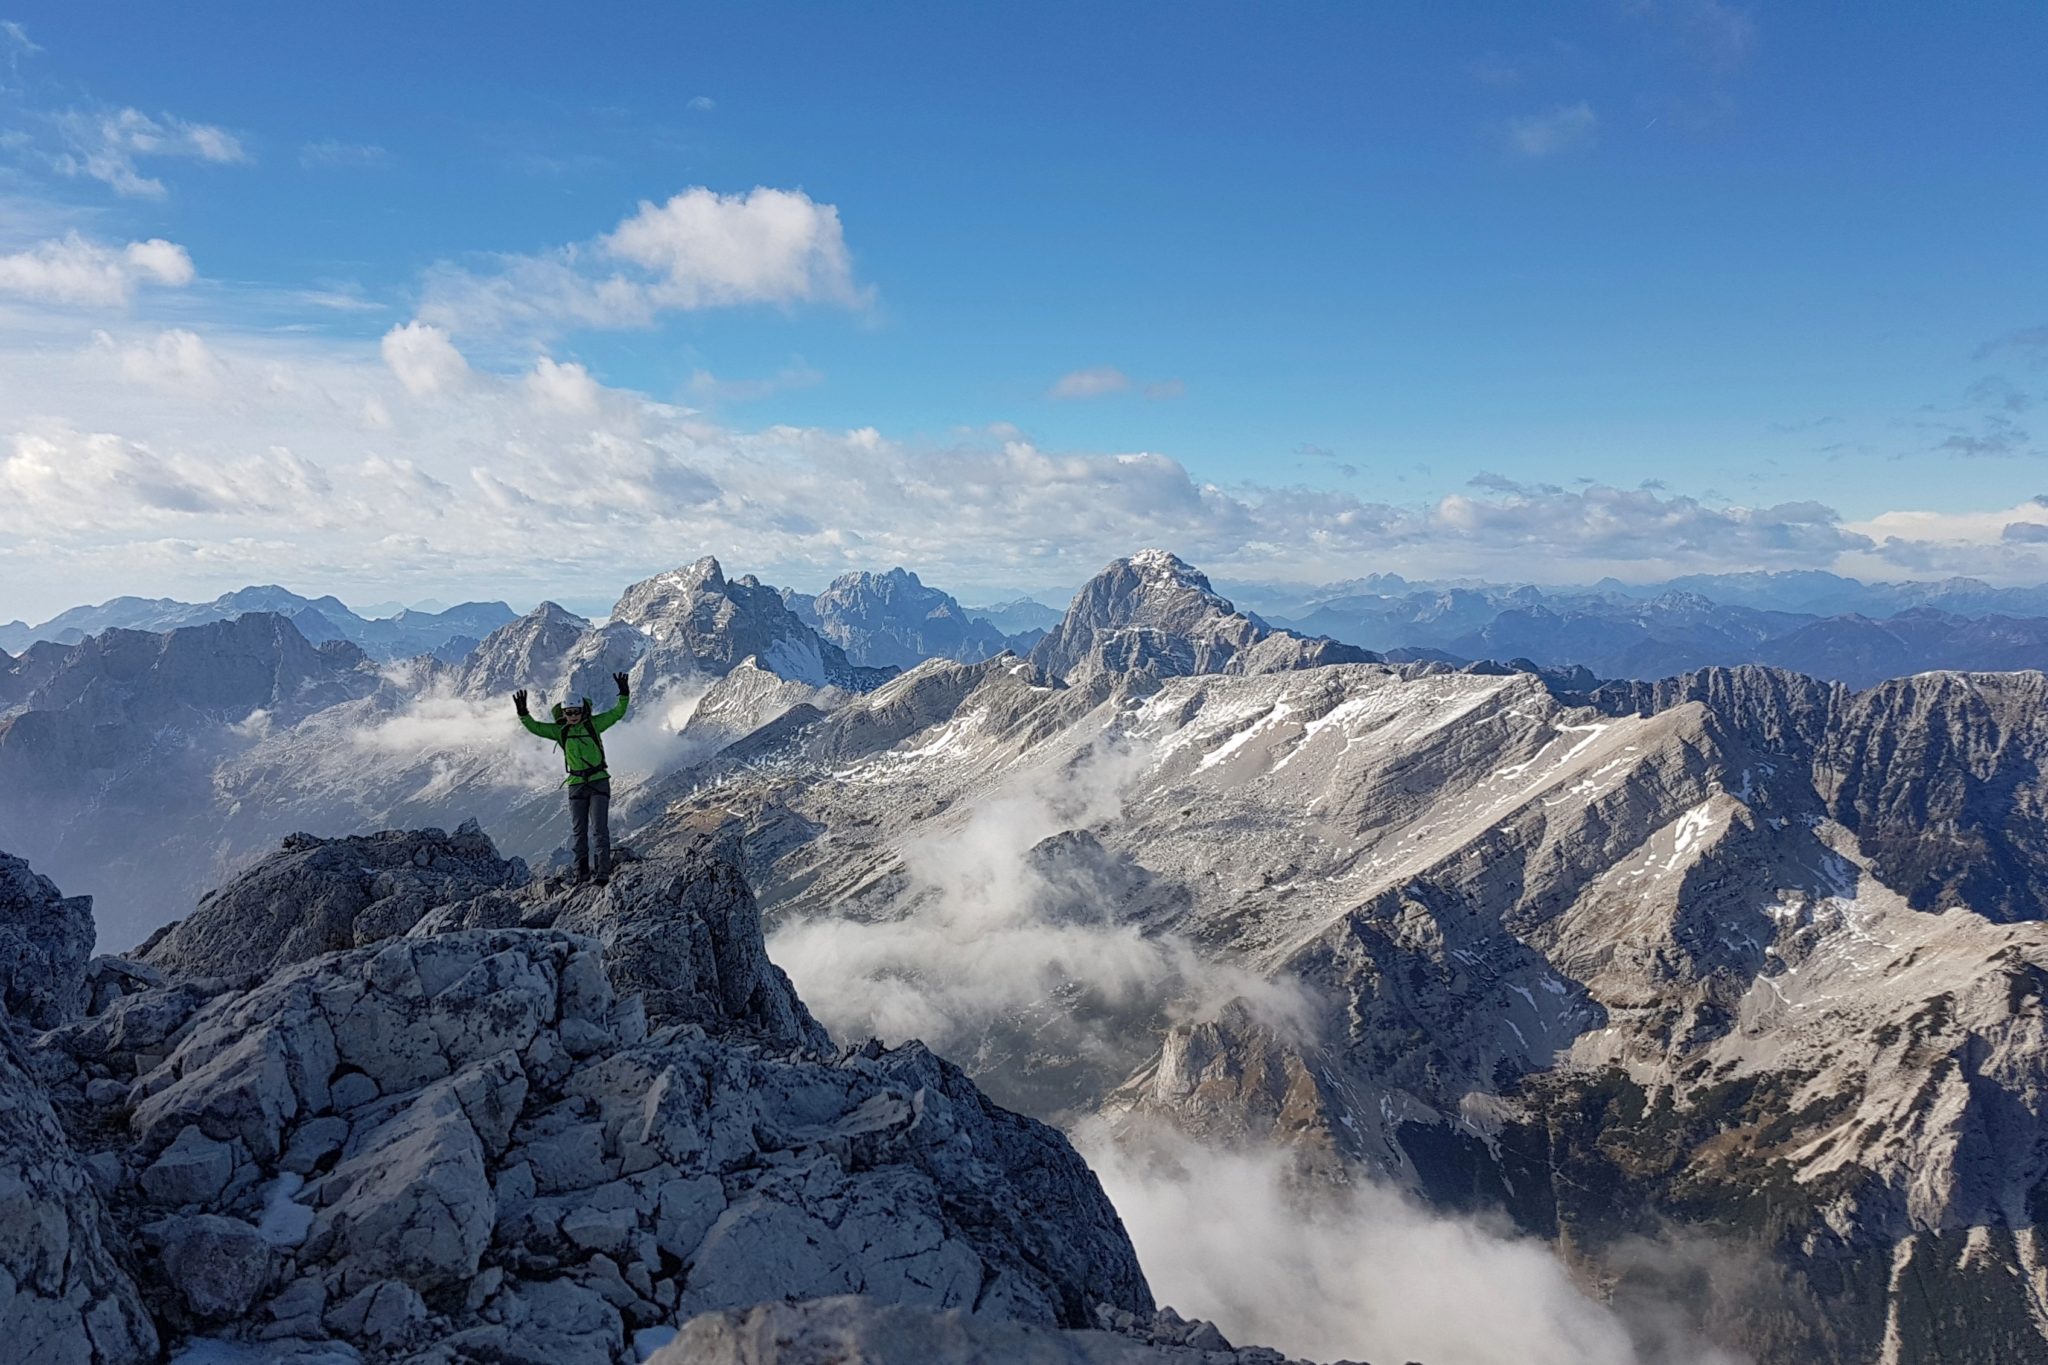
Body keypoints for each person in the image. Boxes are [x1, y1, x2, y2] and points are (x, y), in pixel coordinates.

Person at [514, 671, 630, 884]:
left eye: (576, 712)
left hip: (598, 781)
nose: (573, 716)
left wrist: (624, 693)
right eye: (569, 712)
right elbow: (536, 728)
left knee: (599, 829)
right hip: (576, 784)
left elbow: (617, 713)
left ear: (583, 710)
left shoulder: (593, 725)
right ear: (564, 713)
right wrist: (523, 714)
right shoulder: (561, 731)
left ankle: (602, 872)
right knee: (579, 833)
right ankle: (582, 873)